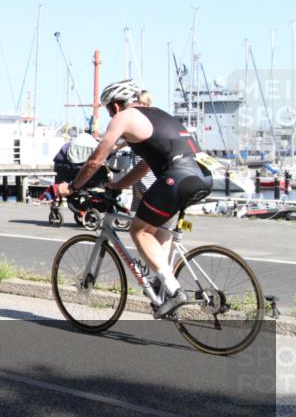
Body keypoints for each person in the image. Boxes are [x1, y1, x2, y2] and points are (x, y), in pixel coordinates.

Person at [56, 79, 212, 319]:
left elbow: (95, 160)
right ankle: (163, 285)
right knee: (159, 230)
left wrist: (73, 186)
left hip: (178, 177)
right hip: (202, 175)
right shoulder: (156, 114)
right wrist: (119, 184)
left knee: (139, 231)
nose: (110, 114)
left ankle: (175, 291)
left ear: (116, 106)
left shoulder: (124, 117)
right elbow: (146, 164)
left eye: (109, 109)